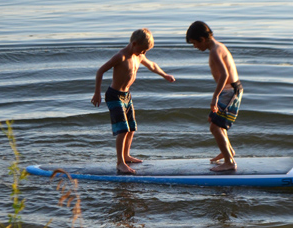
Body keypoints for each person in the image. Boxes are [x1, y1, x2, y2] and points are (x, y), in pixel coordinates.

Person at [92, 28, 175, 174]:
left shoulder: (139, 56)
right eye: (142, 50)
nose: (143, 53)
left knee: (131, 128)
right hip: (114, 95)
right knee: (123, 129)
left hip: (126, 95)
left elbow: (152, 65)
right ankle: (120, 162)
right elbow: (100, 71)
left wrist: (164, 75)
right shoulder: (121, 56)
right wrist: (97, 93)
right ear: (134, 43)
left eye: (145, 51)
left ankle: (126, 155)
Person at [186, 21, 243, 172]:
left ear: (202, 39)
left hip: (230, 91)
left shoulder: (215, 50)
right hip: (229, 90)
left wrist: (215, 97)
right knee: (215, 121)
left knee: (215, 127)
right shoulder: (218, 46)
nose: (195, 47)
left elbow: (224, 75)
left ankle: (230, 162)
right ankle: (228, 152)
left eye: (194, 43)